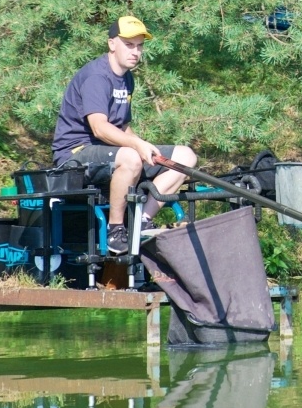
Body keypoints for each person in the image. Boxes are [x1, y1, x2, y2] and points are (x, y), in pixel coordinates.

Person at [52, 16, 197, 254]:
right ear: (112, 44)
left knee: (185, 157)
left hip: (111, 150)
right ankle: (115, 230)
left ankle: (142, 221)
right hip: (74, 154)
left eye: (139, 46)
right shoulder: (97, 76)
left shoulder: (126, 77)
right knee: (130, 156)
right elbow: (99, 127)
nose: (136, 52)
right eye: (129, 45)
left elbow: (122, 126)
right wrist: (135, 146)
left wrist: (144, 146)